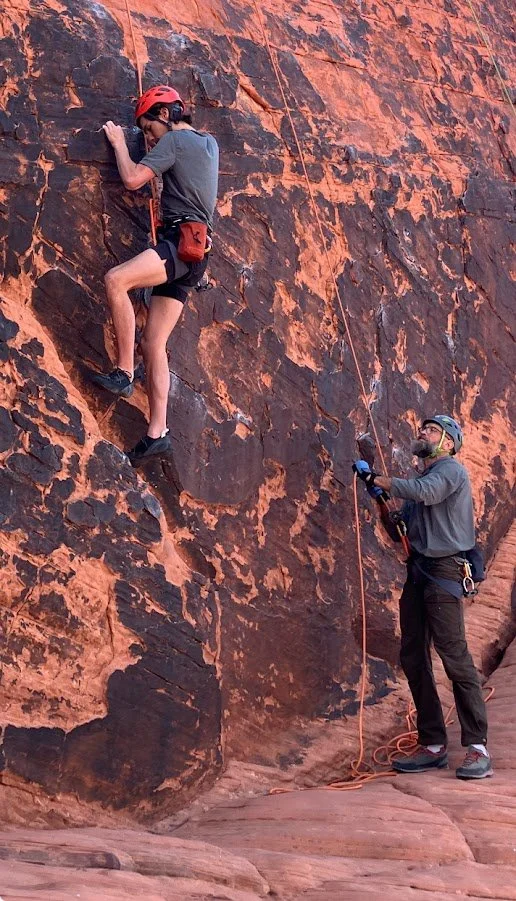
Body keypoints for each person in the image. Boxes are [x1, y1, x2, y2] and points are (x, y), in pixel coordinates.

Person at [355, 415, 493, 780]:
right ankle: (433, 745)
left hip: (444, 572)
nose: (423, 433)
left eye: (432, 430)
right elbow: (398, 529)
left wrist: (378, 479)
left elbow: (426, 492)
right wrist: (380, 500)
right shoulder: (420, 482)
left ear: (448, 442)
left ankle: (478, 747)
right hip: (419, 572)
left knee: (454, 656)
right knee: (413, 656)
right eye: (424, 429)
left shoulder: (450, 471)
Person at [91, 85, 219, 464]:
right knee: (154, 342)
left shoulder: (174, 142)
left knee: (116, 280)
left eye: (149, 128)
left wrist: (120, 143)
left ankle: (124, 372)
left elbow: (133, 179)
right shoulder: (209, 143)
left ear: (166, 114)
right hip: (197, 253)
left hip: (178, 246)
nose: (148, 138)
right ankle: (157, 433)